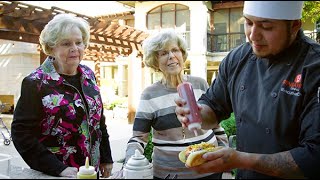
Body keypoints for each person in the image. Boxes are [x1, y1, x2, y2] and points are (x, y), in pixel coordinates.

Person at [174, 1, 320, 179]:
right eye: (249, 23)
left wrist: (241, 160)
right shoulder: (238, 58)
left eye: (266, 27)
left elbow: (314, 158)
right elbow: (213, 107)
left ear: (295, 26)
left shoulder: (314, 67)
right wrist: (194, 113)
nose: (253, 36)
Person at [11, 13, 113, 178]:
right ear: (51, 48)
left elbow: (99, 121)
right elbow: (20, 133)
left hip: (90, 170)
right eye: (66, 43)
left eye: (79, 42)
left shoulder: (88, 75)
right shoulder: (36, 82)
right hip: (57, 172)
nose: (75, 48)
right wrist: (58, 168)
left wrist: (106, 157)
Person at [118, 30, 228, 179]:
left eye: (175, 50)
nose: (171, 56)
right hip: (169, 174)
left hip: (209, 169)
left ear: (182, 54)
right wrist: (128, 166)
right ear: (155, 61)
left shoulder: (200, 84)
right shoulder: (149, 95)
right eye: (163, 53)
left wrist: (225, 159)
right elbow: (138, 138)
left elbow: (216, 125)